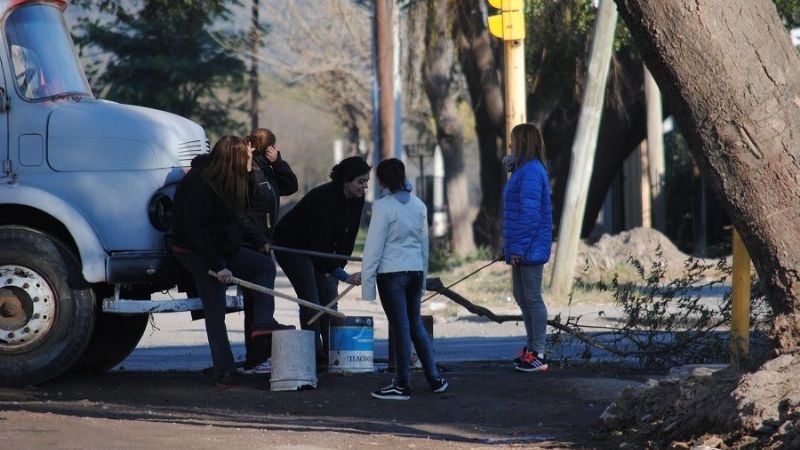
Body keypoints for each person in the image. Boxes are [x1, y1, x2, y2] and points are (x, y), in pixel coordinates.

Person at [170, 135, 287, 386]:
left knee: (264, 266)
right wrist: (217, 266)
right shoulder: (199, 183)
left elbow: (236, 216)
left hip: (220, 247)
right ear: (233, 158)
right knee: (216, 307)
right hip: (194, 251)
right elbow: (195, 230)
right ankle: (224, 370)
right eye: (246, 156)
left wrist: (258, 240)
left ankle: (263, 322)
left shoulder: (229, 180)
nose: (251, 161)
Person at [361, 158, 448, 400]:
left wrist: (367, 280)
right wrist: (422, 277)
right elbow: (424, 245)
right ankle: (434, 377)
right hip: (414, 271)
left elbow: (374, 248)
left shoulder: (383, 207)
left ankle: (401, 384)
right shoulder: (418, 205)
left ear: (382, 181)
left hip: (391, 274)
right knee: (415, 324)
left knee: (400, 327)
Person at [272, 156, 370, 367]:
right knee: (311, 299)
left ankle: (331, 351)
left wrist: (337, 268)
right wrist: (342, 275)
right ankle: (313, 355)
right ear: (346, 181)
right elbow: (319, 244)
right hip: (292, 246)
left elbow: (347, 237)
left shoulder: (357, 199)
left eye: (366, 181)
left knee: (329, 297)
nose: (365, 186)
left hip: (318, 249)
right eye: (361, 181)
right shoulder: (323, 200)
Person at [236, 130, 298, 375]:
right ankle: (257, 357)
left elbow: (290, 186)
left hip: (263, 240)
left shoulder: (268, 169)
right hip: (253, 241)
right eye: (273, 147)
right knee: (256, 302)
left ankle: (257, 357)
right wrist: (259, 238)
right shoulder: (248, 171)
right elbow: (242, 212)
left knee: (258, 301)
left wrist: (279, 162)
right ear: (266, 146)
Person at [502, 123, 553, 373]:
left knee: (532, 298)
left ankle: (539, 352)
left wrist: (518, 247)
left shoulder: (531, 171)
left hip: (530, 247)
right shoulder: (523, 170)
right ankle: (531, 348)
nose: (509, 143)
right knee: (522, 296)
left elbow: (530, 215)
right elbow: (515, 213)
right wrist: (509, 246)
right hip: (521, 246)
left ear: (523, 141)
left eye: (512, 139)